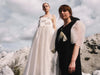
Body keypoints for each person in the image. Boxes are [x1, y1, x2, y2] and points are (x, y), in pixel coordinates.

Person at [23, 2, 56, 75]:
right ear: (42, 8)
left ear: (49, 7)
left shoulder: (52, 16)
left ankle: (49, 72)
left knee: (48, 53)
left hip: (49, 36)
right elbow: (38, 28)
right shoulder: (41, 17)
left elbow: (54, 27)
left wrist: (54, 37)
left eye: (47, 6)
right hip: (40, 36)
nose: (45, 7)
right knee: (40, 53)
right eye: (44, 6)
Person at [55, 5, 85, 75]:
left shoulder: (76, 24)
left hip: (72, 60)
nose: (62, 13)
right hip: (62, 61)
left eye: (64, 11)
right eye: (60, 12)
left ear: (70, 13)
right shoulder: (59, 30)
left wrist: (73, 61)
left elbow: (77, 44)